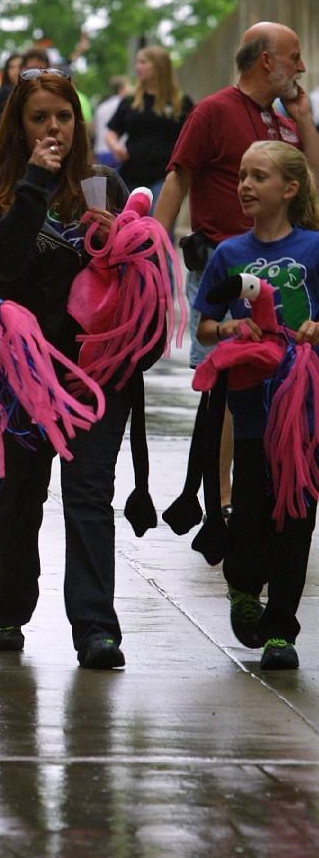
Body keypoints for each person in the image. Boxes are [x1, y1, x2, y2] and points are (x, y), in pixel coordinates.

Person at [0, 68, 132, 670]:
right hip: (23, 367)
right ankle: (7, 610)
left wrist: (119, 239)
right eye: (39, 119)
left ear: (78, 122)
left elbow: (139, 273)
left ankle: (95, 627)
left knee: (89, 494)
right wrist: (35, 184)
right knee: (20, 491)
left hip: (96, 367)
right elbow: (4, 265)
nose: (53, 129)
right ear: (20, 125)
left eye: (62, 118)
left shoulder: (102, 183)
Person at [155, 22, 319, 514]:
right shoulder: (212, 111)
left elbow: (311, 181)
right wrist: (148, 252)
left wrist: (305, 120)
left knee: (286, 375)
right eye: (295, 55)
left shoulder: (286, 120)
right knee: (226, 385)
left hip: (286, 269)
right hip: (224, 268)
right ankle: (223, 497)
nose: (302, 66)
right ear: (267, 60)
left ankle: (279, 482)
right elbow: (177, 179)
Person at [194, 140, 319, 671]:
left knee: (296, 520)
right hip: (249, 411)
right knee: (249, 516)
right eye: (241, 175)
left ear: (289, 189)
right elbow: (203, 327)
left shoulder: (315, 248)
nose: (245, 185)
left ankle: (281, 632)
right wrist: (231, 327)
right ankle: (243, 585)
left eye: (259, 176)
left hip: (306, 417)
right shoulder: (230, 253)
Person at [105, 46, 192, 195]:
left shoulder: (181, 102)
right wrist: (115, 147)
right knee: (131, 217)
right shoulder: (131, 100)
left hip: (165, 176)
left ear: (159, 66)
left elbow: (193, 135)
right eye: (138, 62)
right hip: (131, 175)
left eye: (143, 62)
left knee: (156, 218)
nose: (137, 66)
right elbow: (112, 131)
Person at [0, 48, 48, 175]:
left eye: (20, 66)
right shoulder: (5, 93)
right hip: (8, 165)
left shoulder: (45, 96)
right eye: (11, 67)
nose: (15, 70)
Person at [93, 75, 129, 168]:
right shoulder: (125, 105)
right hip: (118, 151)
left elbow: (95, 129)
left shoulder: (101, 106)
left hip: (100, 151)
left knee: (103, 181)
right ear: (122, 89)